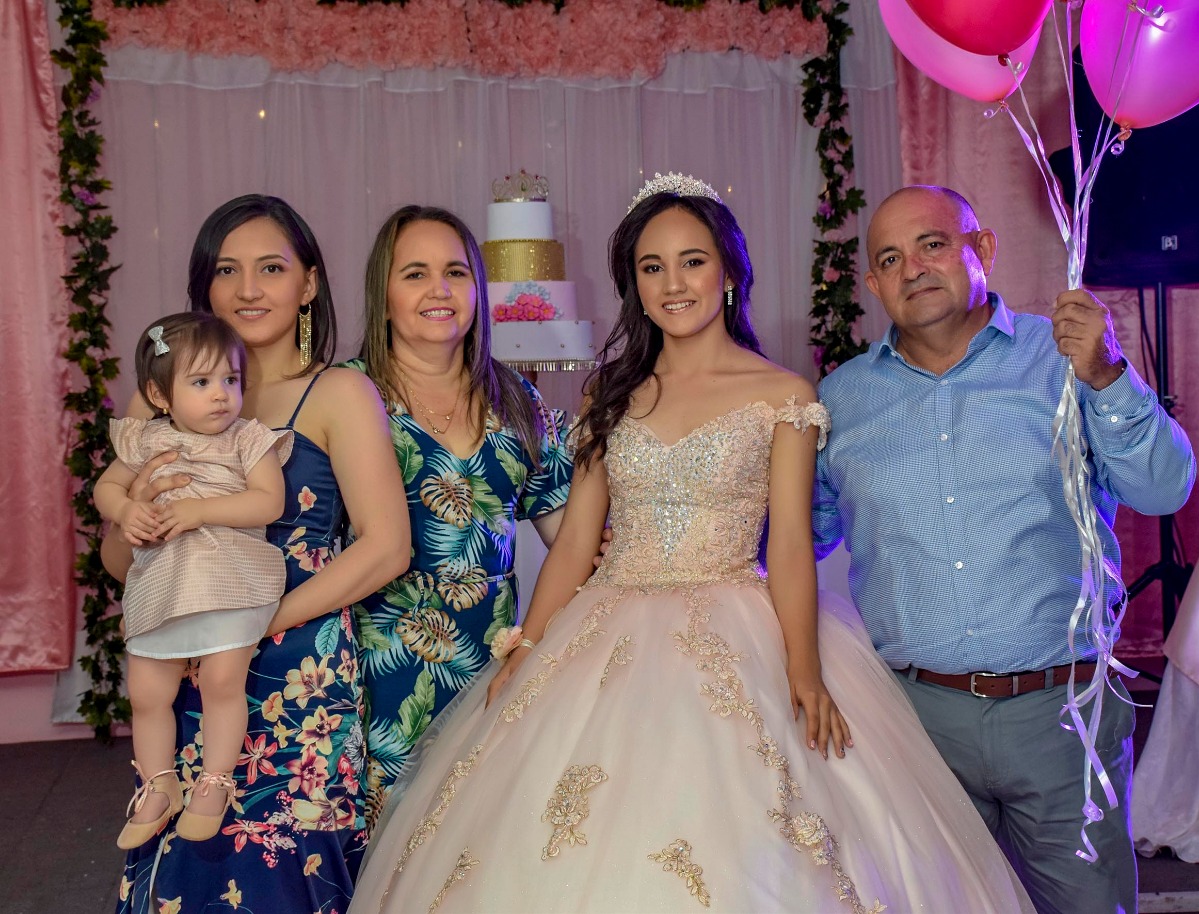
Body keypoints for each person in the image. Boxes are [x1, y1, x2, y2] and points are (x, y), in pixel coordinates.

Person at [348, 174, 1034, 913]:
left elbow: (794, 549)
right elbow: (577, 541)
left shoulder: (784, 395)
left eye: (693, 261)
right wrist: (528, 644)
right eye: (652, 267)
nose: (673, 283)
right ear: (635, 288)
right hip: (604, 626)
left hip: (739, 626)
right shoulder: (610, 391)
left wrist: (803, 670)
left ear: (730, 273)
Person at [813, 184, 1196, 914]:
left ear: (981, 249)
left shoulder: (1066, 362)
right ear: (873, 285)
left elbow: (1164, 489)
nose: (914, 268)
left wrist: (1109, 375)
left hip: (1062, 713)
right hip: (916, 723)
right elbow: (806, 531)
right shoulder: (842, 399)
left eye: (932, 244)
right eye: (890, 258)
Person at [104, 195, 411, 914]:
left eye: (271, 268)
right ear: (203, 287)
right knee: (184, 865)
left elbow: (388, 547)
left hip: (295, 668)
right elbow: (121, 565)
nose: (248, 289)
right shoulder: (160, 401)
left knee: (285, 870)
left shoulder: (337, 392)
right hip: (187, 654)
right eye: (227, 270)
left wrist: (261, 619)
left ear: (308, 284)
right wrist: (136, 517)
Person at [341, 206, 572, 828]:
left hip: (492, 665)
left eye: (456, 272)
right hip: (379, 672)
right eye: (414, 273)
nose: (439, 290)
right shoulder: (347, 395)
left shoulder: (516, 397)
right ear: (382, 295)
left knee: (473, 849)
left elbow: (571, 537)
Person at [97, 312, 293, 849]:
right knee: (146, 692)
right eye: (202, 383)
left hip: (229, 578)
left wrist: (200, 509)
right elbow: (106, 487)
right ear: (160, 395)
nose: (221, 396)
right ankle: (159, 785)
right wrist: (126, 508)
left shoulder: (247, 440)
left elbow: (268, 501)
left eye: (230, 380)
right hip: (164, 583)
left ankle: (214, 781)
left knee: (222, 683)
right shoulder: (145, 439)